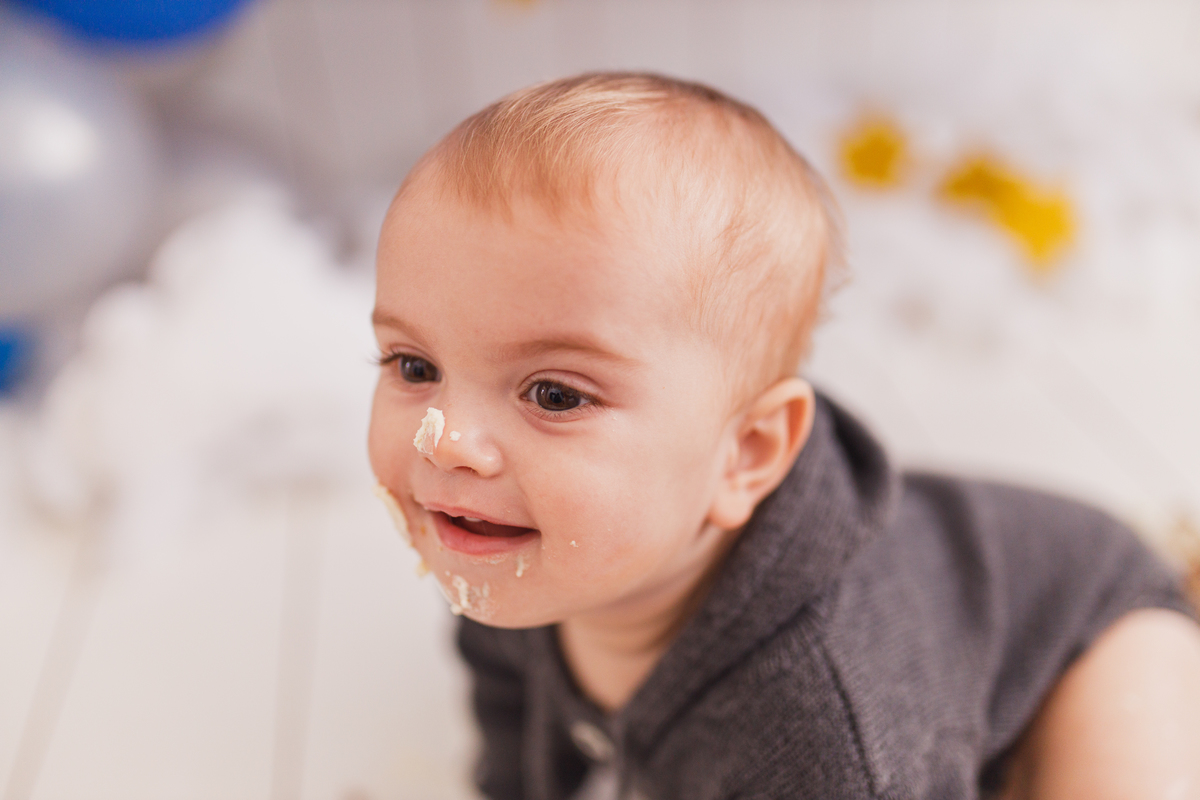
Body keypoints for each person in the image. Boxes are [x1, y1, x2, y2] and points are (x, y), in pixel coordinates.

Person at [367, 73, 1200, 799]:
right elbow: (510, 713)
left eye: (552, 392)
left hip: (1080, 626)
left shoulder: (822, 733)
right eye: (413, 366)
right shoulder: (508, 552)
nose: (448, 443)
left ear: (748, 453)